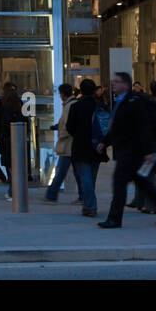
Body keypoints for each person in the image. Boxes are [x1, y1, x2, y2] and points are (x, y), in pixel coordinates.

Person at [96, 72, 156, 228]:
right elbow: (118, 126)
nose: (113, 84)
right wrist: (105, 142)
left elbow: (143, 128)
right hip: (130, 152)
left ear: (125, 84)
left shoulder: (134, 102)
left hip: (133, 152)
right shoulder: (122, 101)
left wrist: (148, 151)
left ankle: (114, 219)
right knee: (145, 184)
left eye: (117, 82)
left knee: (119, 185)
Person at [66, 78, 101, 216]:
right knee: (91, 177)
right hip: (97, 145)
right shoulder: (99, 105)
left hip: (81, 145)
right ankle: (88, 205)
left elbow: (70, 127)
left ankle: (91, 206)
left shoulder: (76, 106)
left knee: (84, 177)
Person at [45, 83, 76, 202]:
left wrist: (61, 135)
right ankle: (51, 194)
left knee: (61, 171)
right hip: (70, 143)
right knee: (75, 172)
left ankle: (51, 194)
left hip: (67, 144)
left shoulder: (69, 106)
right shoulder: (69, 105)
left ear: (63, 94)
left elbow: (68, 125)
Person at [0, 82, 27, 201]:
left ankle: (12, 191)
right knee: (17, 166)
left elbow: (0, 122)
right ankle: (15, 190)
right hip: (18, 139)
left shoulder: (1, 104)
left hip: (6, 139)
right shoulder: (19, 104)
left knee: (9, 166)